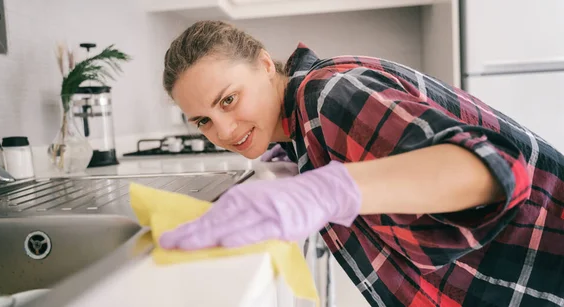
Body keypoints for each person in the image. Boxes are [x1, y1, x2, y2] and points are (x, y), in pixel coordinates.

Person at [158, 20, 564, 306]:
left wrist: (326, 190)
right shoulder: (304, 122)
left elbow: (494, 169)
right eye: (203, 121)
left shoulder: (327, 93)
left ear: (266, 65)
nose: (224, 131)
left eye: (228, 99)